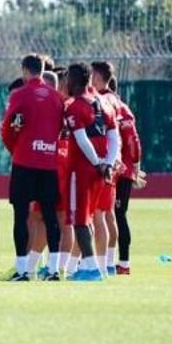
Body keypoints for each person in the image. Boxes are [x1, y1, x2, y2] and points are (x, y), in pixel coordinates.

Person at [1, 54, 65, 281]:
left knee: (20, 215)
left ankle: (22, 270)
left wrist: (15, 149)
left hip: (25, 161)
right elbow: (60, 127)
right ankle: (54, 269)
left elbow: (8, 127)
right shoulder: (57, 97)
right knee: (50, 215)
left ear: (25, 70)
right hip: (48, 162)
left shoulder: (20, 94)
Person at [64, 63, 119, 281]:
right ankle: (95, 267)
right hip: (103, 170)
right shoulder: (105, 103)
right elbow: (115, 137)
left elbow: (81, 140)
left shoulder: (74, 106)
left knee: (80, 218)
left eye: (68, 78)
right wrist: (108, 162)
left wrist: (97, 163)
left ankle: (91, 268)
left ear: (73, 80)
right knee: (93, 217)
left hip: (83, 169)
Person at [90, 61, 124, 275]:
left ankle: (103, 264)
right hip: (110, 161)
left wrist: (115, 158)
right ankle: (108, 264)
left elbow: (116, 133)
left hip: (104, 162)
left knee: (99, 214)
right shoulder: (113, 99)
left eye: (92, 74)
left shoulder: (105, 99)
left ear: (98, 76)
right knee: (106, 213)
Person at [110, 77, 142, 275]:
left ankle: (123, 263)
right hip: (114, 170)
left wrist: (135, 166)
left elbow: (133, 140)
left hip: (120, 172)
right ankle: (108, 261)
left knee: (118, 215)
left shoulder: (120, 109)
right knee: (109, 215)